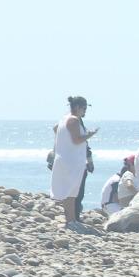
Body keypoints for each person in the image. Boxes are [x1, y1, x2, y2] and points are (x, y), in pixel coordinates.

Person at [49, 96, 96, 226]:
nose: (85, 111)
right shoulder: (74, 120)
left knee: (70, 192)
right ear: (77, 107)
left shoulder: (65, 118)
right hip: (71, 161)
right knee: (71, 192)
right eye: (84, 108)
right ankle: (71, 220)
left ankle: (71, 219)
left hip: (66, 159)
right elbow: (77, 140)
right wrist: (90, 134)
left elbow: (56, 129)